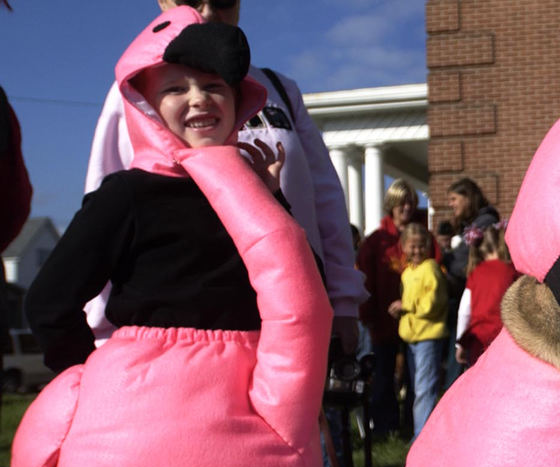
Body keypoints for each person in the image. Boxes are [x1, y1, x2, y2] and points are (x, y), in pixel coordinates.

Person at [8, 8, 330, 467]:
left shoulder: (254, 197)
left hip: (236, 433)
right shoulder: (127, 196)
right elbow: (50, 298)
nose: (196, 100)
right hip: (153, 434)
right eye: (176, 87)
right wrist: (84, 381)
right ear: (146, 103)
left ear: (240, 101)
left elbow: (299, 288)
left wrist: (273, 202)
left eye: (212, 86)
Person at [83, 0, 365, 356]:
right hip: (181, 340)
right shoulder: (133, 90)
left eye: (222, 1)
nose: (206, 12)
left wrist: (342, 301)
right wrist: (101, 336)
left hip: (291, 322)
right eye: (190, 0)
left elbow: (324, 197)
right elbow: (101, 217)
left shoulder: (281, 90)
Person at [357, 179, 418, 440]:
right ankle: (384, 425)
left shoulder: (419, 236)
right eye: (401, 203)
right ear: (391, 205)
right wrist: (368, 316)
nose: (406, 207)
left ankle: (413, 426)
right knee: (383, 374)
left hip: (418, 320)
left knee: (415, 376)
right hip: (384, 320)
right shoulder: (376, 242)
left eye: (410, 202)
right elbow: (364, 280)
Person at [388, 224, 448, 440]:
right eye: (412, 246)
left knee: (424, 390)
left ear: (428, 246)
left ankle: (422, 439)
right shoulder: (407, 273)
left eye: (421, 246)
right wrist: (402, 309)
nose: (417, 251)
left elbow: (434, 302)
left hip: (428, 337)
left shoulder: (431, 268)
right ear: (404, 247)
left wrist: (407, 306)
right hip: (413, 338)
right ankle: (420, 435)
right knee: (417, 388)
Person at [441, 178, 500, 386]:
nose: (451, 204)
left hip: (474, 308)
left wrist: (444, 259)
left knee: (461, 370)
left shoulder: (484, 224)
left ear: (468, 198)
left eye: (454, 198)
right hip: (465, 302)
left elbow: (462, 263)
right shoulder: (471, 225)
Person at [454, 222, 518, 367]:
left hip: (479, 338)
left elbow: (464, 311)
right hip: (505, 337)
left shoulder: (475, 273)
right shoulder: (512, 271)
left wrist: (460, 344)